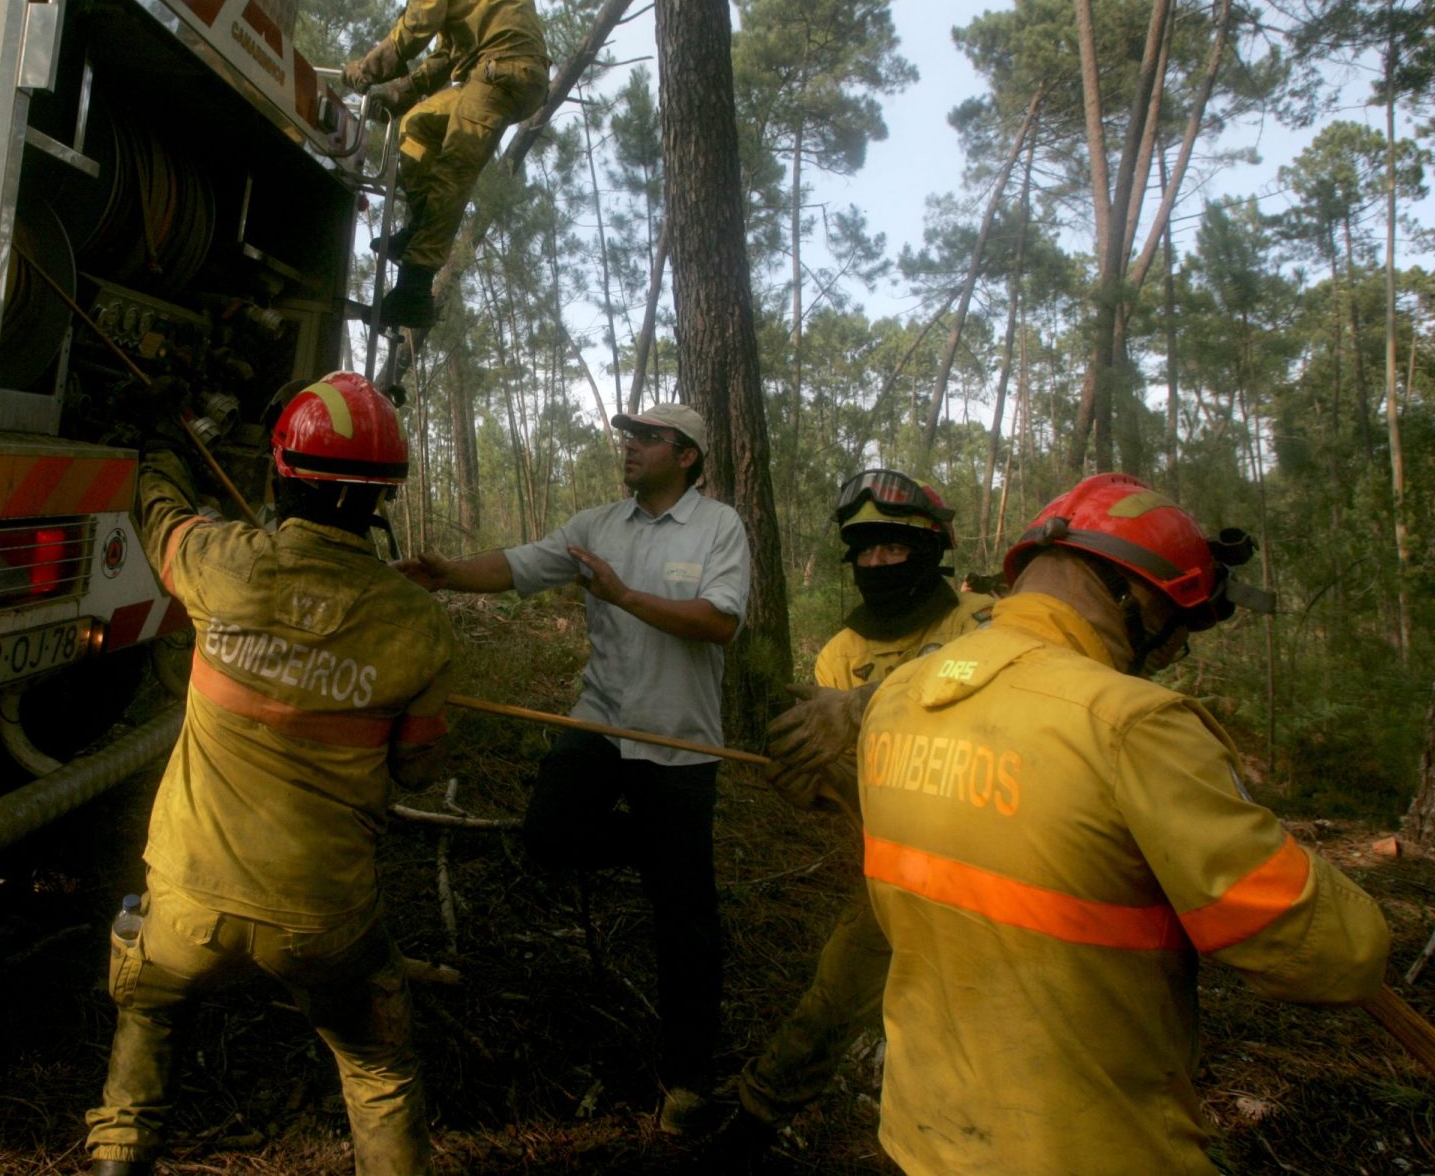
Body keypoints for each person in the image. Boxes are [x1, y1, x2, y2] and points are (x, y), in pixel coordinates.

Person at [858, 473, 1387, 1176]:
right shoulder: (1131, 726)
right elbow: (1325, 954)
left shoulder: (898, 697)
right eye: (1175, 625)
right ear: (1132, 592)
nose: (1170, 653)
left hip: (924, 1132)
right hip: (1091, 1144)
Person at [83, 372, 455, 1176]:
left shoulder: (223, 566)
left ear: (281, 474)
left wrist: (160, 445)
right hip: (323, 922)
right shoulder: (416, 622)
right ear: (382, 498)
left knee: (148, 1011)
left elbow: (161, 518)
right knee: (380, 1069)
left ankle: (119, 1151)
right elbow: (419, 771)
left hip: (186, 905)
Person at [396, 403, 749, 1133]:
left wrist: (624, 595)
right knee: (548, 838)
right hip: (597, 722)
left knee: (686, 922)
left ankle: (688, 1079)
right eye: (630, 435)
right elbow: (522, 564)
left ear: (687, 456)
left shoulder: (720, 529)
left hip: (681, 744)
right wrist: (448, 573)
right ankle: (655, 852)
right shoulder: (598, 524)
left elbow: (719, 622)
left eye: (649, 438)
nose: (631, 446)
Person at [732, 470, 994, 1148]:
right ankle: (753, 1125)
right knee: (826, 1006)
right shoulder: (840, 656)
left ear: (932, 550)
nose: (878, 564)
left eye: (894, 549)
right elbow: (852, 781)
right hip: (895, 875)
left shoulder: (982, 625)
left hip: (994, 877)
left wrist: (871, 707)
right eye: (866, 552)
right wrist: (812, 786)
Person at [341, 0, 550, 327]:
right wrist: (397, 94)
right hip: (491, 68)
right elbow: (443, 58)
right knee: (419, 124)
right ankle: (421, 228)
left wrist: (368, 69)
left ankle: (415, 288)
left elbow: (419, 22)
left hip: (504, 67)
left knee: (454, 165)